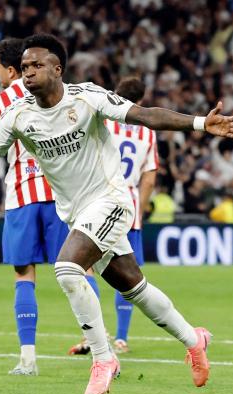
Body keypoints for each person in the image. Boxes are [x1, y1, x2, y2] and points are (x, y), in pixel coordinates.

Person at [0, 34, 233, 394]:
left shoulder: (87, 97)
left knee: (65, 268)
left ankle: (103, 358)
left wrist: (200, 124)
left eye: (37, 65)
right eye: (25, 67)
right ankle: (194, 339)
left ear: (57, 69)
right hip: (76, 212)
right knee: (133, 287)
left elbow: (144, 115)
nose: (28, 73)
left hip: (110, 200)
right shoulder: (18, 115)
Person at [0, 38, 101, 375]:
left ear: (9, 70)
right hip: (61, 196)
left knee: (24, 274)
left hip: (22, 197)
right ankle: (102, 353)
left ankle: (28, 359)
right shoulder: (60, 92)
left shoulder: (0, 103)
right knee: (82, 269)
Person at [69, 77, 159, 355]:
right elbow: (149, 177)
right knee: (128, 275)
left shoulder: (103, 118)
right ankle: (121, 338)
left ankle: (95, 336)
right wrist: (140, 212)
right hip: (128, 205)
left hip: (98, 199)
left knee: (84, 268)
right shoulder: (147, 132)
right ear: (140, 101)